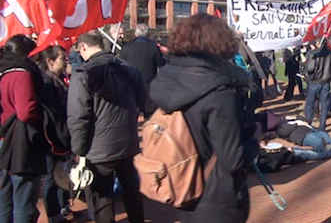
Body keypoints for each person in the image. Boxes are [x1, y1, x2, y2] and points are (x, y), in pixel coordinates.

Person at [149, 13, 260, 222]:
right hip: (217, 195)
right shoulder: (218, 91)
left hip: (183, 186)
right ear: (220, 43)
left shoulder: (167, 78)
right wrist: (255, 140)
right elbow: (232, 159)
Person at [67, 31, 146, 223]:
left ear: (83, 47)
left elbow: (78, 116)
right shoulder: (128, 69)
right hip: (126, 141)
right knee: (131, 190)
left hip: (98, 146)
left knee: (102, 196)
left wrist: (78, 149)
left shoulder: (83, 74)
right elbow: (142, 100)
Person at [0, 35, 46, 223]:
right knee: (23, 198)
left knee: (4, 198)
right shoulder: (21, 74)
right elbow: (26, 112)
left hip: (3, 139)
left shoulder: (3, 71)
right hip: (20, 143)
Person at [37, 46, 72, 223]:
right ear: (50, 62)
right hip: (53, 137)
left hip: (64, 133)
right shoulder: (46, 83)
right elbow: (51, 115)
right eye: (62, 59)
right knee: (52, 175)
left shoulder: (61, 79)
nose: (66, 62)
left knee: (63, 172)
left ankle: (63, 204)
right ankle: (52, 212)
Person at [119, 23, 167, 119]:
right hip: (149, 85)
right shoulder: (153, 48)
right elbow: (162, 65)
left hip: (132, 86)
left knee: (132, 116)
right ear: (148, 35)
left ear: (136, 34)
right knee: (149, 116)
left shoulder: (126, 49)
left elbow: (121, 67)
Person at [264, 114, 331, 161]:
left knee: (323, 134)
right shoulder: (280, 127)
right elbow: (284, 132)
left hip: (313, 130)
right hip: (304, 135)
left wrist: (296, 117)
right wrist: (297, 123)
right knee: (320, 144)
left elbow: (308, 120)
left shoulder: (290, 119)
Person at [302, 41, 331, 131]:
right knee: (324, 104)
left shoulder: (313, 53)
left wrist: (306, 75)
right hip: (326, 81)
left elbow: (310, 68)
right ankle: (322, 126)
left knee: (310, 103)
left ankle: (308, 124)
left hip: (315, 81)